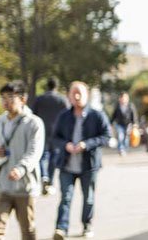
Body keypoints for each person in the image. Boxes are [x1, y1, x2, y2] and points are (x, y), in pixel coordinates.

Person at [50, 81, 110, 239]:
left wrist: (87, 144)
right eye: (73, 93)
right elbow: (55, 138)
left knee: (88, 198)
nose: (76, 96)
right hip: (67, 165)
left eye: (80, 93)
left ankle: (86, 225)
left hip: (88, 165)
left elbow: (106, 136)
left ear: (86, 95)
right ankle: (61, 228)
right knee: (65, 198)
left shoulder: (97, 115)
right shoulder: (63, 116)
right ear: (69, 95)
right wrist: (66, 145)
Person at [0, 80, 46, 240]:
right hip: (2, 186)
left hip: (24, 187)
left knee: (28, 230)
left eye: (10, 97)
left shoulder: (34, 123)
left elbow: (35, 152)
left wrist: (21, 168)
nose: (6, 102)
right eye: (3, 98)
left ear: (23, 99)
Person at [30, 77, 70, 195]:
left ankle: (44, 176)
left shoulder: (40, 99)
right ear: (56, 86)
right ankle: (50, 181)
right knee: (54, 157)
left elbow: (33, 115)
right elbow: (68, 116)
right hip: (56, 132)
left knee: (42, 156)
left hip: (41, 131)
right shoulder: (62, 100)